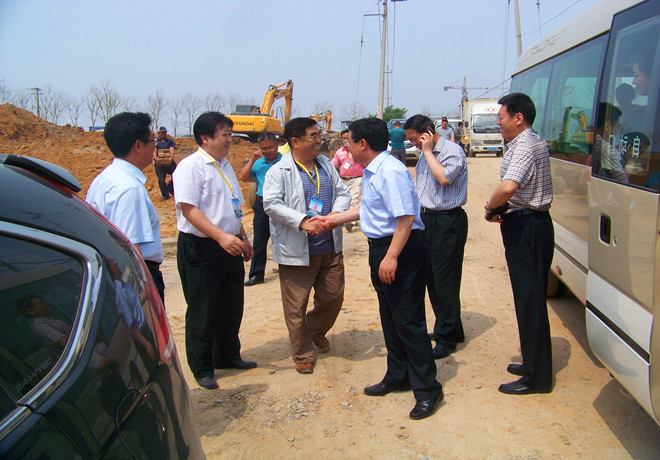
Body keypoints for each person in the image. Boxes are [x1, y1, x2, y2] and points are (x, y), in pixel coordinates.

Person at [313, 117, 443, 420]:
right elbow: (370, 208)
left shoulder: (391, 171)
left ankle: (427, 388)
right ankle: (398, 374)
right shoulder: (374, 170)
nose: (346, 147)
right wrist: (332, 220)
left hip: (400, 249)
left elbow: (406, 217)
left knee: (409, 320)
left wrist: (392, 256)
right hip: (383, 248)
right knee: (391, 317)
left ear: (362, 143)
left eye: (348, 141)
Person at [172, 112, 256, 390]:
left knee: (231, 306)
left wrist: (242, 237)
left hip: (229, 243)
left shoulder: (225, 165)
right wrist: (220, 237)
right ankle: (202, 367)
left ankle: (227, 356)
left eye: (231, 134)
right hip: (203, 247)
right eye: (225, 135)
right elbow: (189, 210)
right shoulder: (190, 167)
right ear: (205, 137)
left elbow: (233, 206)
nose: (230, 140)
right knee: (203, 309)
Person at [263, 117, 351, 374]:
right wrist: (302, 222)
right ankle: (302, 351)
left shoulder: (325, 164)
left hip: (329, 247)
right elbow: (271, 204)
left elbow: (343, 192)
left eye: (318, 134)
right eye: (313, 136)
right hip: (297, 250)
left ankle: (313, 329)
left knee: (333, 297)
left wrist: (335, 215)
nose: (319, 140)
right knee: (296, 306)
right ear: (295, 141)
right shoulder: (278, 171)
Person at [484, 92, 554, 395]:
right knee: (526, 299)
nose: (498, 123)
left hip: (529, 228)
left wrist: (490, 206)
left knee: (530, 301)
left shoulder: (525, 144)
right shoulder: (525, 142)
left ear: (518, 118)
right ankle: (531, 363)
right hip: (525, 223)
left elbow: (509, 186)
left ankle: (536, 378)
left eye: (501, 118)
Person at [404, 114, 468, 360]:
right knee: (432, 278)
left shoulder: (451, 151)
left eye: (415, 139)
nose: (413, 144)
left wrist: (429, 152)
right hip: (426, 220)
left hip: (447, 221)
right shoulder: (424, 154)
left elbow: (443, 178)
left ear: (428, 132)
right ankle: (451, 327)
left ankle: (446, 337)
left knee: (445, 280)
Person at [86, 112, 166, 304]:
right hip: (134, 279)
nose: (155, 146)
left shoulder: (105, 178)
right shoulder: (128, 187)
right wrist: (144, 291)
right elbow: (129, 246)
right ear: (138, 145)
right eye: (153, 140)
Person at [239, 131, 283, 286]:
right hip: (262, 203)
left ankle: (287, 271)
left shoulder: (286, 161)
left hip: (281, 203)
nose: (267, 151)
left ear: (276, 145)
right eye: (264, 148)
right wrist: (252, 160)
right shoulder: (257, 163)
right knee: (259, 240)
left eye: (270, 147)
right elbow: (243, 177)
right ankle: (257, 274)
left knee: (283, 239)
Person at [331, 129, 364, 231]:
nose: (346, 140)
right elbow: (333, 165)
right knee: (343, 199)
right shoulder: (339, 152)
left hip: (356, 179)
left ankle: (351, 222)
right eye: (344, 138)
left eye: (347, 138)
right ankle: (344, 218)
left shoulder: (357, 151)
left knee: (354, 199)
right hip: (343, 180)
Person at [592, 102, 627, 183]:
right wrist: (631, 162)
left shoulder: (586, 139)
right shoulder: (605, 148)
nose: (616, 132)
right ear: (607, 126)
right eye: (617, 127)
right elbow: (623, 184)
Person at [154, 126, 177, 201]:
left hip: (169, 163)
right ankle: (165, 195)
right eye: (162, 133)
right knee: (161, 180)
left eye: (164, 133)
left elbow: (171, 149)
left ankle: (170, 188)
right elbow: (154, 150)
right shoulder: (156, 142)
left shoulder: (170, 141)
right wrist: (156, 158)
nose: (163, 134)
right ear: (159, 133)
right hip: (159, 164)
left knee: (176, 174)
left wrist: (171, 158)